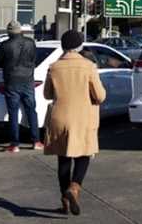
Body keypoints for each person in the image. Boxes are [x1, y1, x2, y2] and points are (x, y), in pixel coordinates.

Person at [43, 30, 106, 216]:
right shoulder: (88, 66)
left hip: (59, 117)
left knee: (63, 160)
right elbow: (100, 96)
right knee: (84, 154)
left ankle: (65, 202)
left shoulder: (53, 67)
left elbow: (47, 95)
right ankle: (75, 188)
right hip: (83, 117)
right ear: (79, 46)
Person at [0, 20, 42, 153]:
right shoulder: (30, 42)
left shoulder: (5, 45)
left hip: (11, 81)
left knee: (13, 112)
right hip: (28, 79)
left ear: (9, 32)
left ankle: (15, 144)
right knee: (31, 110)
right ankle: (36, 141)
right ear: (21, 30)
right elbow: (34, 60)